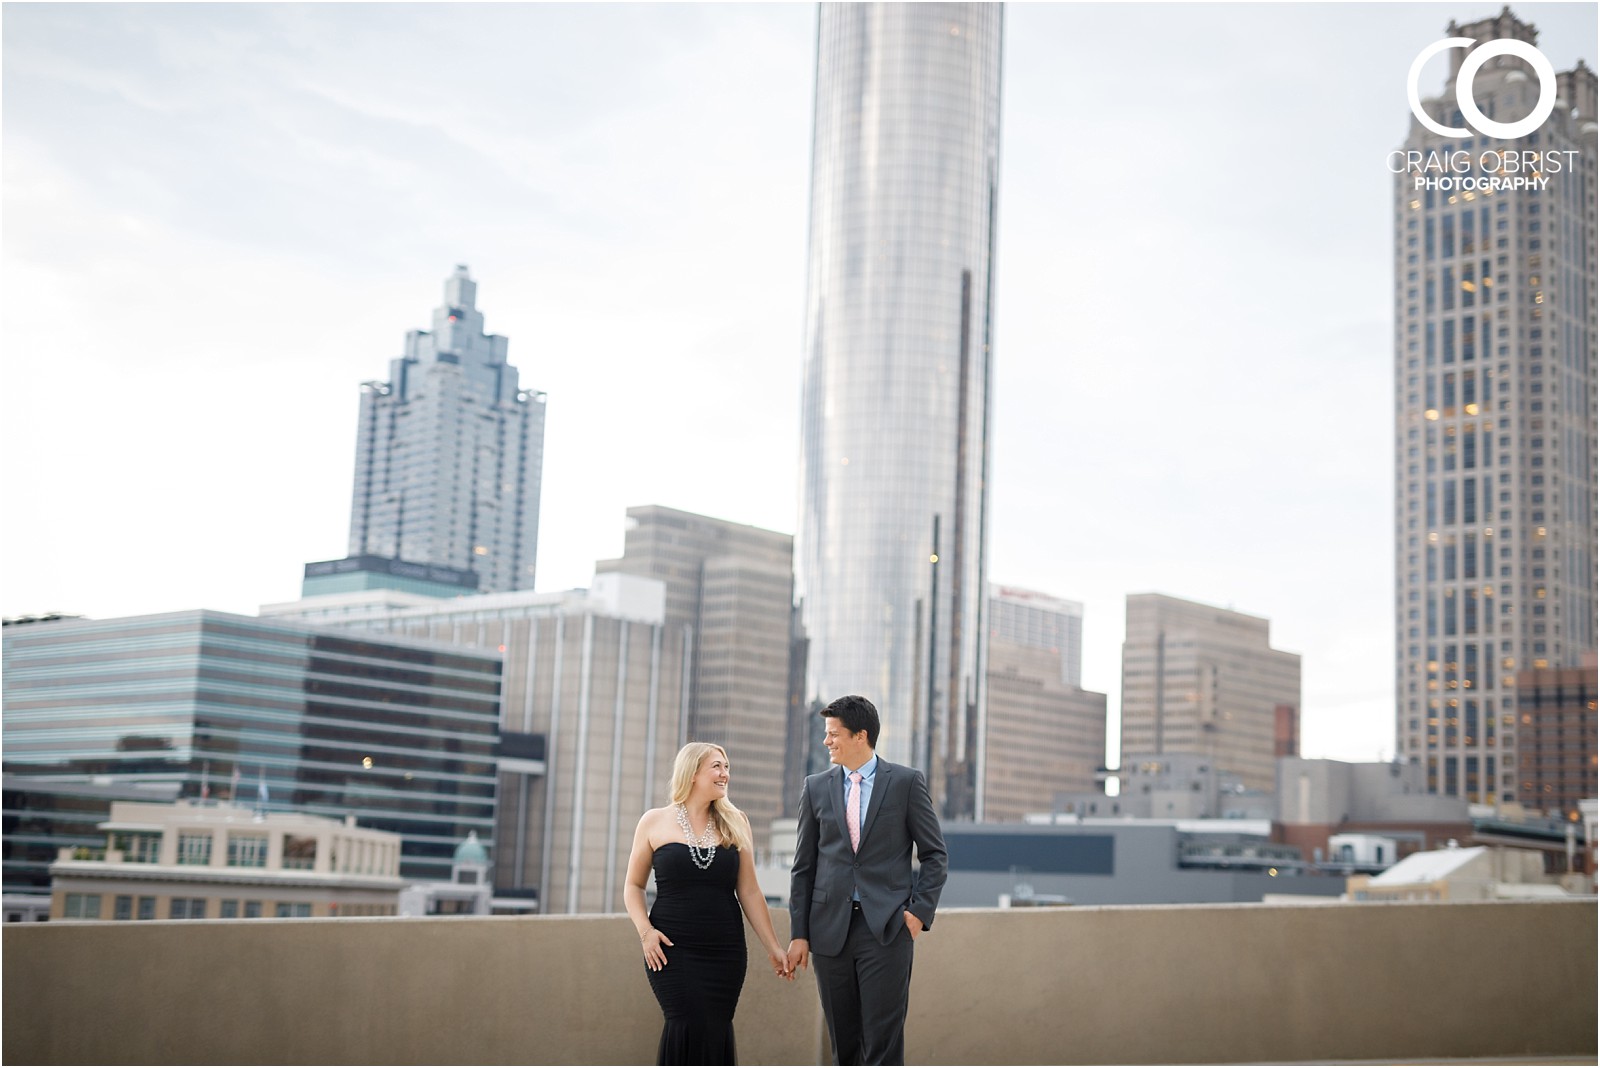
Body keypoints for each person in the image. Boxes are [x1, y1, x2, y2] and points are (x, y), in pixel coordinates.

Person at [786, 694, 948, 1066]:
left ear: (861, 735)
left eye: (833, 734)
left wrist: (917, 914)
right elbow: (803, 867)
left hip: (887, 930)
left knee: (883, 1046)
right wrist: (799, 933)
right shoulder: (815, 787)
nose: (826, 741)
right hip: (829, 932)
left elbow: (935, 854)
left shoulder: (906, 783)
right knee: (844, 1046)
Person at [625, 742, 792, 1065]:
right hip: (671, 949)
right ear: (692, 773)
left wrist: (773, 947)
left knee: (715, 1026)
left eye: (726, 767)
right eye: (717, 766)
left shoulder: (736, 821)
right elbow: (633, 886)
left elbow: (750, 892)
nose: (724, 774)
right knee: (685, 1023)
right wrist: (646, 933)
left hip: (724, 952)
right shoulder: (654, 821)